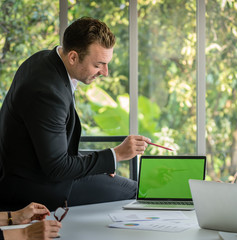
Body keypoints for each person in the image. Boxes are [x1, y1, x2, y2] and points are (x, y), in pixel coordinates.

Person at [0, 17, 151, 211]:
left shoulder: (44, 59)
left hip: (27, 171)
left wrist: (104, 163)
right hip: (32, 188)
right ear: (73, 57)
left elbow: (52, 148)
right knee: (134, 191)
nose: (105, 72)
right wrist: (116, 155)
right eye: (98, 65)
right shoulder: (47, 92)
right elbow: (57, 168)